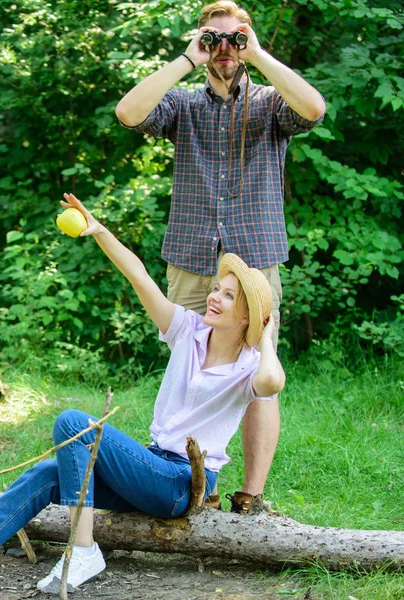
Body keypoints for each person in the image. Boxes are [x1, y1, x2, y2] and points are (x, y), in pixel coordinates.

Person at [0, 193, 285, 591]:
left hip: (180, 484)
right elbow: (140, 276)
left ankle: (83, 551)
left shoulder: (250, 366)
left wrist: (267, 336)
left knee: (72, 424)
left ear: (247, 317)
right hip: (150, 468)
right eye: (217, 289)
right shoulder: (187, 330)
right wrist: (99, 230)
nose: (214, 297)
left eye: (228, 296)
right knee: (48, 474)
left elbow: (272, 384)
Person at [115, 0, 326, 511]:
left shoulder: (272, 103)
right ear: (202, 43)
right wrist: (188, 58)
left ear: (248, 41)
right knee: (189, 366)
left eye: (234, 38)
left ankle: (250, 495)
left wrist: (260, 56)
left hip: (253, 261)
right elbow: (128, 113)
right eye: (214, 38)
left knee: (259, 377)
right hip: (190, 256)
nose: (225, 49)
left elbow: (315, 109)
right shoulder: (183, 105)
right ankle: (191, 478)